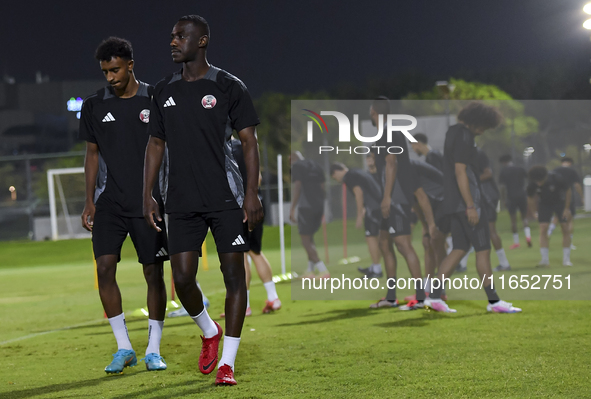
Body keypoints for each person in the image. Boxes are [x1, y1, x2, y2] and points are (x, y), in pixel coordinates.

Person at [143, 15, 263, 386]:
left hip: (225, 199)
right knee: (182, 279)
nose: (173, 42)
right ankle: (209, 330)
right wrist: (147, 194)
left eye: (181, 36)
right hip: (179, 200)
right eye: (172, 36)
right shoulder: (163, 90)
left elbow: (249, 142)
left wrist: (251, 194)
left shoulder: (228, 86)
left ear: (203, 41)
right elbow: (155, 144)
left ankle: (227, 363)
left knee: (234, 278)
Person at [80, 37, 168, 373]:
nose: (110, 77)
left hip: (148, 203)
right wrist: (89, 200)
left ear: (131, 64)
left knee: (153, 273)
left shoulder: (155, 98)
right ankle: (124, 347)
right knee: (104, 267)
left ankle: (153, 349)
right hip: (110, 204)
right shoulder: (94, 105)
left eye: (115, 69)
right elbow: (91, 154)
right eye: (105, 71)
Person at [424, 102, 521, 313]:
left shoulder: (453, 132)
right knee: (483, 251)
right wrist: (470, 205)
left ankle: (433, 297)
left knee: (459, 249)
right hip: (467, 203)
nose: (484, 130)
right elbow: (461, 172)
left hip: (454, 203)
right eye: (484, 126)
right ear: (477, 121)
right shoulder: (465, 136)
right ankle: (494, 302)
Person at [369, 97, 439, 311]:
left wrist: (388, 197)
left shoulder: (391, 133)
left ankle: (420, 298)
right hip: (391, 197)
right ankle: (391, 297)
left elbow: (392, 163)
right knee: (384, 243)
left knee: (403, 245)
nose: (369, 115)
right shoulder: (385, 134)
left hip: (396, 198)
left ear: (375, 112)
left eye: (370, 111)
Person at [230, 138, 281, 315]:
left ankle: (245, 305)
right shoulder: (249, 145)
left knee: (241, 254)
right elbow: (257, 177)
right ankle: (273, 297)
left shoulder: (225, 148)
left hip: (238, 206)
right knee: (255, 251)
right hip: (256, 203)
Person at [330, 162, 384, 278]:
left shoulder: (349, 176)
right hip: (378, 205)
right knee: (375, 237)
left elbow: (358, 193)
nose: (337, 179)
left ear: (336, 172)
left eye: (334, 177)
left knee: (371, 237)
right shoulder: (357, 171)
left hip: (373, 208)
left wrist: (359, 214)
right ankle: (375, 267)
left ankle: (377, 270)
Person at [290, 152, 329, 279]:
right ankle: (310, 270)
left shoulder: (297, 166)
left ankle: (322, 269)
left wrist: (292, 208)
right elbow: (323, 186)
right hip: (319, 205)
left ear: (292, 158)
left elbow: (297, 186)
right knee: (310, 238)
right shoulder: (316, 165)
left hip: (306, 206)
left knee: (305, 239)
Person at [526, 166, 572, 267]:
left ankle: (566, 260)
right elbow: (530, 198)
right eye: (536, 182)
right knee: (543, 228)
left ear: (545, 176)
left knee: (565, 228)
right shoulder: (532, 183)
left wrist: (566, 208)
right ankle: (545, 260)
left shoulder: (557, 178)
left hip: (560, 204)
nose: (538, 183)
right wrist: (534, 212)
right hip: (544, 205)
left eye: (540, 181)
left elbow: (568, 190)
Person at [476, 148, 511, 272]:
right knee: (472, 230)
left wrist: (470, 181)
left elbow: (488, 173)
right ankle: (460, 265)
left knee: (490, 231)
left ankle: (504, 263)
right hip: (483, 196)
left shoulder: (477, 153)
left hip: (486, 196)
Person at [498, 154, 531, 249]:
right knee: (524, 217)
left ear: (503, 162)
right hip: (522, 194)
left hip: (511, 196)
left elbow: (502, 187)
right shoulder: (520, 169)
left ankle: (516, 242)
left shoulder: (503, 171)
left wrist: (503, 199)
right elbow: (528, 179)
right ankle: (528, 237)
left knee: (513, 220)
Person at [550, 157, 584, 249]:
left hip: (556, 197)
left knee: (557, 215)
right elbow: (577, 185)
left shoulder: (554, 171)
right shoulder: (572, 171)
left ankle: (549, 232)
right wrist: (582, 196)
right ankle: (569, 242)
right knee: (569, 220)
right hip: (568, 197)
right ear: (570, 163)